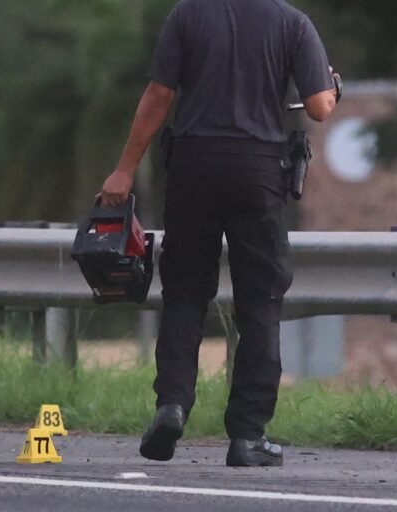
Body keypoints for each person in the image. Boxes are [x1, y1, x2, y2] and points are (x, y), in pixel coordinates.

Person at [100, 0, 339, 467]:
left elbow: (159, 96)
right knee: (261, 299)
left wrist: (125, 169)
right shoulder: (292, 23)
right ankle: (247, 437)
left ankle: (172, 405)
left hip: (193, 166)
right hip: (258, 170)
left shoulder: (187, 15)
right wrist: (332, 85)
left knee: (185, 291)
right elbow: (319, 107)